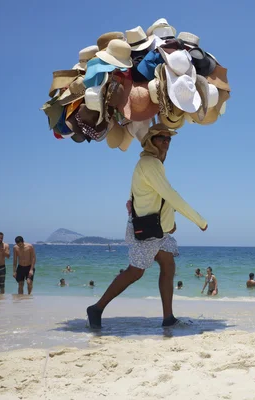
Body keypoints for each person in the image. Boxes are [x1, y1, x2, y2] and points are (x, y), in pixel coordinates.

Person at [86, 124, 208, 329]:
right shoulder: (150, 164)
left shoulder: (151, 164)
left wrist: (170, 221)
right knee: (135, 272)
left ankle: (168, 318)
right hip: (148, 231)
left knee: (168, 264)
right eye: (161, 138)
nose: (166, 142)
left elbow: (154, 197)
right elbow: (171, 195)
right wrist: (199, 221)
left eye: (169, 139)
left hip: (155, 228)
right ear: (151, 141)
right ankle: (97, 308)